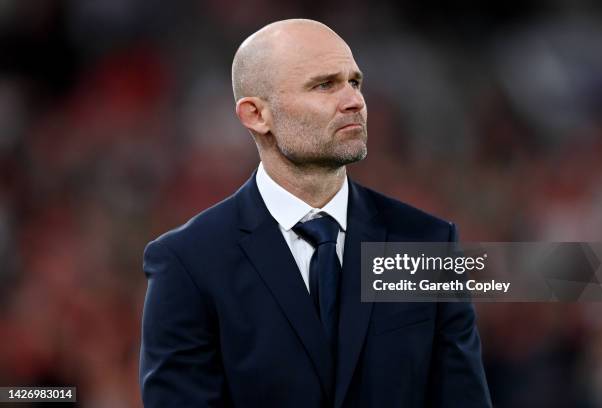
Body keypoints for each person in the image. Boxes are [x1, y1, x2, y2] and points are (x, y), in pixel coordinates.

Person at [139, 18, 491, 407]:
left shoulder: (426, 243)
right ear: (256, 114)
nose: (354, 100)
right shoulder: (189, 262)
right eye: (324, 85)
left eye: (354, 82)